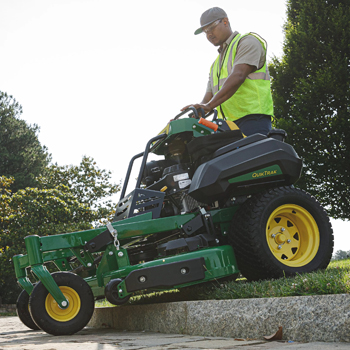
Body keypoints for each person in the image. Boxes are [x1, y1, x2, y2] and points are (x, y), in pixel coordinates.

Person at [181, 7, 274, 136]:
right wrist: (196, 112)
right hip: (228, 127)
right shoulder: (215, 66)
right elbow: (207, 100)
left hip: (253, 121)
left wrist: (209, 105)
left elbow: (239, 75)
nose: (209, 35)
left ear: (225, 21)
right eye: (205, 31)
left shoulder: (247, 42)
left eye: (211, 28)